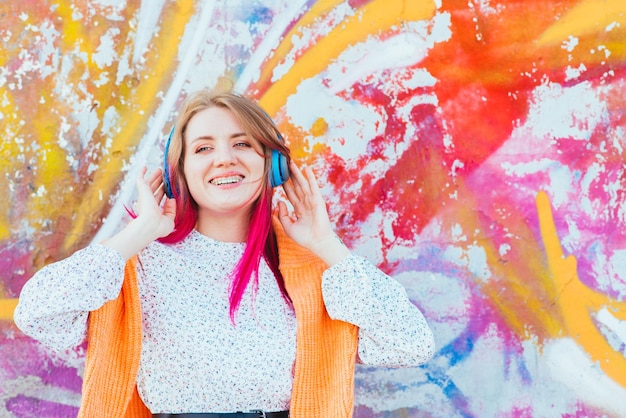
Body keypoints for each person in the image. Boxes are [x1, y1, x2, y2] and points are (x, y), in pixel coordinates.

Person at [14, 90, 435, 418]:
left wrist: (326, 244)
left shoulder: (312, 267)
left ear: (271, 164)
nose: (224, 159)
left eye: (242, 144)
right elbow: (36, 311)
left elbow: (410, 344)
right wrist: (140, 232)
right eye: (203, 148)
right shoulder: (136, 262)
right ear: (178, 169)